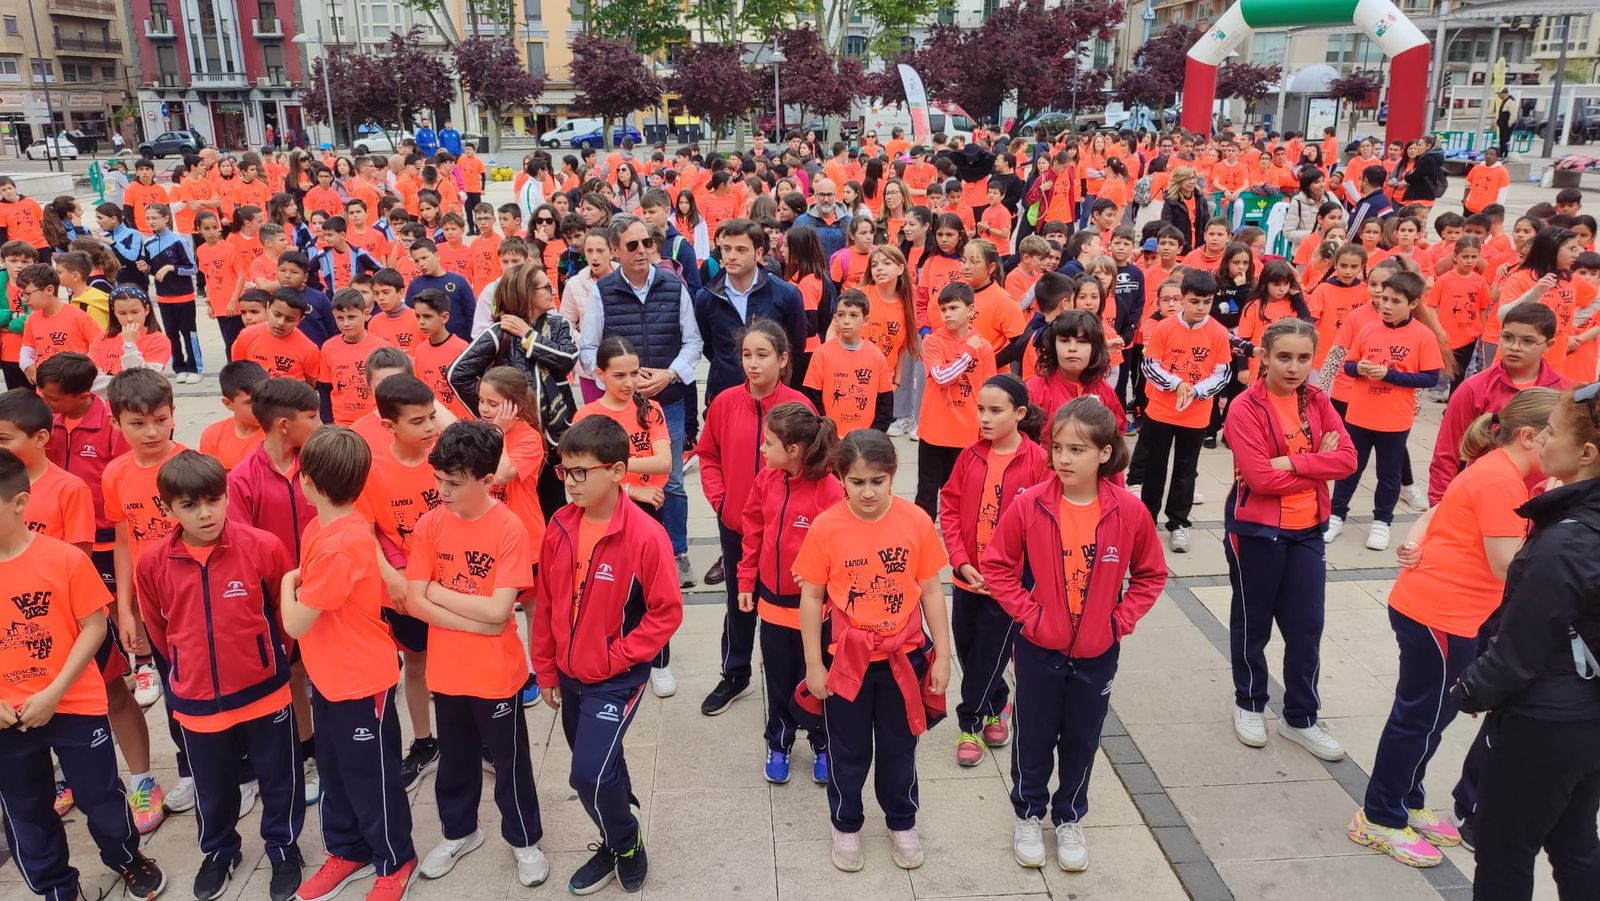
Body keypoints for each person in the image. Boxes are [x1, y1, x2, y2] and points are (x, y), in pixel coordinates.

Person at [1348, 387, 1558, 868]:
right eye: (1558, 434)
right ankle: (1380, 816)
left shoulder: (1504, 474)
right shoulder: (1501, 481)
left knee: (1435, 717)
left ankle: (1408, 798)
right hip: (1439, 614)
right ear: (1530, 437)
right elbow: (1509, 565)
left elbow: (1442, 514)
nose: (1563, 444)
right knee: (1420, 717)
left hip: (1454, 613)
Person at [981, 397, 1165, 871]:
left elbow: (1151, 574)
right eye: (1057, 448)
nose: (1064, 458)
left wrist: (1118, 622)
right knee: (1033, 736)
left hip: (1097, 652)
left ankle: (1068, 818)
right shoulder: (1030, 505)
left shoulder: (1127, 510)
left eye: (1077, 450)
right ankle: (1028, 813)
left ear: (1105, 453)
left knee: (1082, 739)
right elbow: (997, 566)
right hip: (1039, 649)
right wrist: (1029, 615)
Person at [136, 450, 305, 901]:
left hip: (264, 692)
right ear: (168, 509)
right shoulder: (152, 562)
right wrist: (183, 674)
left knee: (279, 778)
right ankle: (219, 850)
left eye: (213, 499)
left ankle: (284, 847)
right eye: (190, 505)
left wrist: (269, 662)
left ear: (228, 496)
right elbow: (157, 626)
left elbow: (280, 615)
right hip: (196, 701)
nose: (205, 513)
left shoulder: (262, 546)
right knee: (212, 787)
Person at [0, 447, 168, 901]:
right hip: (6, 717)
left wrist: (54, 692)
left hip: (73, 703)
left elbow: (94, 626)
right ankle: (55, 884)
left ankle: (127, 858)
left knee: (100, 798)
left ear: (19, 502)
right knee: (26, 807)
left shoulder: (64, 559)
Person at [1452, 385, 1600, 899]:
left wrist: (1469, 690)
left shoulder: (1566, 540)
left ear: (1586, 454)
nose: (1545, 441)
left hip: (1546, 720)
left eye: (1554, 433)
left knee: (1503, 851)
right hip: (1586, 717)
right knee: (1575, 840)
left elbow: (1518, 652)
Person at [530, 415, 682, 894]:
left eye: (581, 472)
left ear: (617, 471)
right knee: (601, 765)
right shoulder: (560, 524)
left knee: (587, 773)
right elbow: (548, 601)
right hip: (571, 675)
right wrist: (547, 669)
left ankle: (628, 842)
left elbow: (666, 613)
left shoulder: (644, 536)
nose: (570, 483)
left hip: (615, 676)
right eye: (564, 471)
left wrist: (617, 656)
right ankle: (613, 838)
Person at [794, 429, 952, 873]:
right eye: (857, 482)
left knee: (901, 749)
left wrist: (942, 655)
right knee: (848, 750)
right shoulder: (827, 526)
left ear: (893, 476)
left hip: (903, 659)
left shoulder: (915, 521)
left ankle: (902, 821)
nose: (867, 492)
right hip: (848, 663)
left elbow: (931, 591)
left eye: (877, 481)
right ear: (841, 478)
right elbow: (811, 597)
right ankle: (845, 825)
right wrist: (813, 665)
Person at [402, 420, 546, 886]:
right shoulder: (429, 525)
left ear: (486, 481)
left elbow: (502, 607)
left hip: (496, 673)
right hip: (447, 671)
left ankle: (524, 840)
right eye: (439, 479)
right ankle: (459, 832)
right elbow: (414, 599)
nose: (442, 490)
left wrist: (441, 593)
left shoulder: (508, 529)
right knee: (456, 760)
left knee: (509, 762)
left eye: (453, 483)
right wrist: (480, 620)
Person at [1222, 318, 1356, 755]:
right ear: (1263, 356)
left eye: (1302, 358)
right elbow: (1259, 479)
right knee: (1253, 621)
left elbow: (1348, 459)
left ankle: (1300, 717)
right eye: (1283, 357)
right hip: (1257, 531)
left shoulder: (1317, 399)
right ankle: (1250, 702)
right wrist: (1319, 461)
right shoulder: (1244, 407)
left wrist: (1293, 463)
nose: (1293, 367)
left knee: (1306, 627)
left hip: (1308, 532)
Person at [579, 215, 704, 597]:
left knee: (674, 480)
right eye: (632, 246)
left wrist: (670, 375)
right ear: (615, 251)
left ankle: (676, 551)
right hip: (619, 408)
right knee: (620, 476)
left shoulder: (673, 285)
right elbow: (587, 351)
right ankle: (625, 550)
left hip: (668, 399)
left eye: (647, 243)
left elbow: (693, 342)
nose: (642, 252)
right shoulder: (602, 292)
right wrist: (620, 384)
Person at [695, 321, 812, 716]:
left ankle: (801, 681)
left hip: (787, 530)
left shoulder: (798, 406)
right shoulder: (726, 403)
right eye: (746, 355)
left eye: (762, 355)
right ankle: (735, 673)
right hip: (736, 525)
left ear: (782, 359)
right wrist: (721, 499)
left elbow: (813, 467)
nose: (753, 363)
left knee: (792, 606)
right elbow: (707, 455)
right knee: (739, 600)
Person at [938, 375, 1048, 767]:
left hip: (1010, 585)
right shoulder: (970, 456)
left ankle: (971, 723)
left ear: (1019, 414)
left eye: (995, 410)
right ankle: (999, 702)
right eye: (981, 409)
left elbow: (1046, 523)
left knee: (991, 651)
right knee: (969, 649)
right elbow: (949, 507)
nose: (984, 418)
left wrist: (1020, 576)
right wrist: (961, 560)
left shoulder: (1038, 462)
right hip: (967, 577)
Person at [734, 401, 840, 782]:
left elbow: (842, 547)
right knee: (778, 680)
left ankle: (823, 742)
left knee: (816, 679)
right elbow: (753, 530)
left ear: (792, 450)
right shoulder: (766, 479)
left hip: (816, 610)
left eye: (768, 444)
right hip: (772, 605)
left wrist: (823, 578)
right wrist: (746, 578)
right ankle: (778, 742)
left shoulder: (830, 490)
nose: (762, 450)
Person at [1326, 271, 1447, 551]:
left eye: (1395, 301)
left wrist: (1389, 375)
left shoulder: (1423, 336)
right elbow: (1348, 365)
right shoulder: (1367, 329)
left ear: (1413, 304)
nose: (1387, 306)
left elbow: (1430, 378)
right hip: (1358, 414)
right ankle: (1335, 515)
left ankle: (1382, 522)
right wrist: (1360, 369)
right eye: (1384, 299)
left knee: (1388, 474)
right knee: (1349, 468)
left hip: (1394, 419)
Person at [1429, 304, 1568, 504]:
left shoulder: (1565, 393)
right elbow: (1446, 453)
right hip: (1485, 498)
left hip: (1544, 502)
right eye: (1508, 337)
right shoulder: (1474, 388)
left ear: (1549, 344)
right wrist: (1438, 506)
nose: (1515, 347)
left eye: (1528, 341)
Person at [1139, 269, 1233, 552]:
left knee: (1185, 470)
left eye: (1206, 302)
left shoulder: (1217, 332)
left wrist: (1196, 390)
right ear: (1182, 299)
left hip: (1196, 414)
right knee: (1155, 467)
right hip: (1160, 412)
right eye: (1194, 301)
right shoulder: (1165, 328)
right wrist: (1176, 383)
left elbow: (1222, 373)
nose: (1200, 308)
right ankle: (1145, 522)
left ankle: (1178, 523)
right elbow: (1149, 365)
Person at [694, 217, 808, 402]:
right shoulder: (706, 298)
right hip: (724, 395)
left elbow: (795, 347)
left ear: (759, 253)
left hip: (773, 398)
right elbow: (710, 347)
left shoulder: (786, 295)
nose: (731, 256)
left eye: (740, 250)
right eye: (726, 249)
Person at [915, 283, 997, 521]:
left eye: (953, 308)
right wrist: (967, 353)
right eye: (943, 309)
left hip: (967, 433)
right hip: (934, 431)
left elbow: (988, 391)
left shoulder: (984, 347)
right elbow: (940, 377)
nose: (947, 314)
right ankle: (924, 536)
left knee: (961, 494)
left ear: (970, 310)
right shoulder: (932, 341)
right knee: (927, 494)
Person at [1495, 88, 1516, 158]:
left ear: (1504, 93)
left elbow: (1513, 113)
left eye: (1500, 94)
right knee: (1502, 139)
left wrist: (1510, 122)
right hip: (1502, 123)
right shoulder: (1504, 101)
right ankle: (1501, 152)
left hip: (1507, 124)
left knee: (1505, 139)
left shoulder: (1510, 102)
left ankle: (1504, 153)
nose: (1499, 96)